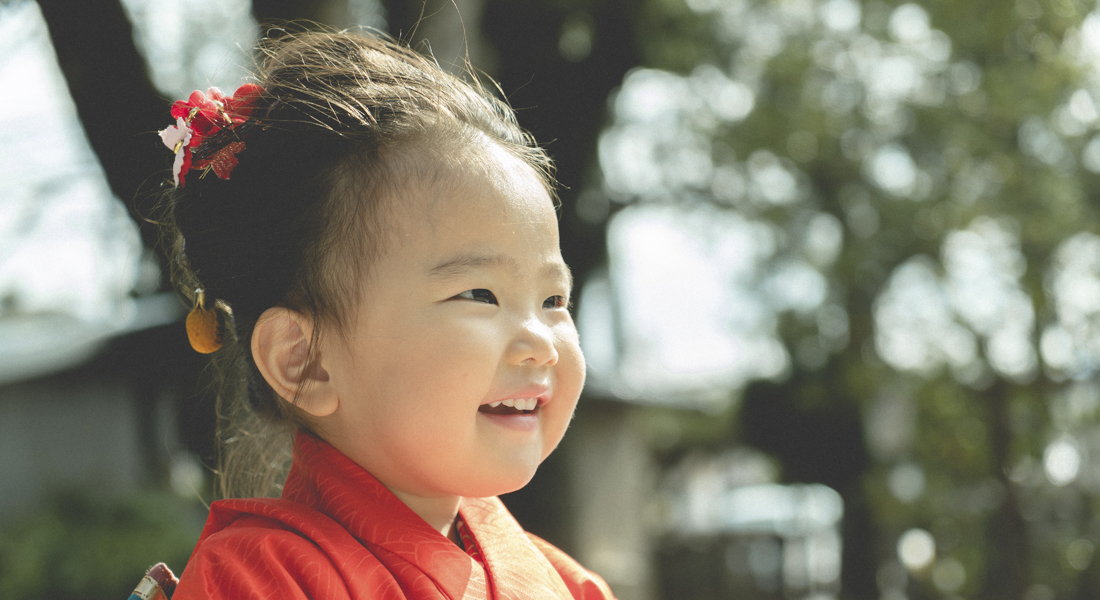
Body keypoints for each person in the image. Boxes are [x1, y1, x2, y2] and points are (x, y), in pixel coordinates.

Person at [155, 30, 615, 599]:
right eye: (479, 295)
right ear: (306, 361)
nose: (541, 342)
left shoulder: (566, 583)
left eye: (553, 301)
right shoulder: (260, 578)